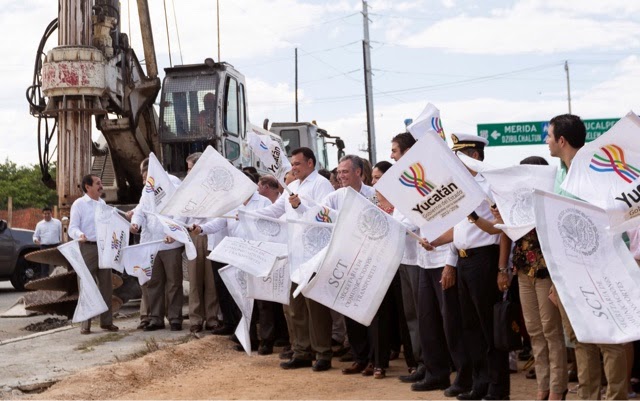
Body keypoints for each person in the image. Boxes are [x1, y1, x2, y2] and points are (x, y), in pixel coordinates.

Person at [423, 134, 509, 400]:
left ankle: (498, 388)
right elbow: (459, 229)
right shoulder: (462, 186)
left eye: (459, 155)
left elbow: (503, 227)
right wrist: (436, 242)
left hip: (485, 258)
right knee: (470, 328)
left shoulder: (490, 184)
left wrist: (502, 268)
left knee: (488, 328)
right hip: (464, 260)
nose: (454, 161)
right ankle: (480, 382)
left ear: (474, 156)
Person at [548, 114, 627, 400]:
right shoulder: (558, 174)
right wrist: (557, 278)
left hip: (604, 267)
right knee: (581, 339)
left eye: (549, 136)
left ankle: (615, 396)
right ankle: (588, 396)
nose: (546, 141)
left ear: (562, 140)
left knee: (612, 341)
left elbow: (618, 218)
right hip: (570, 272)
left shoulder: (599, 171)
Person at [253, 147, 335, 372]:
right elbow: (276, 211)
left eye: (297, 164)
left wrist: (300, 206)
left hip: (314, 254)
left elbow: (324, 216)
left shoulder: (321, 185)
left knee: (315, 307)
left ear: (310, 163)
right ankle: (301, 351)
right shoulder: (293, 186)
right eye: (292, 164)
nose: (293, 168)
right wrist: (248, 215)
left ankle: (323, 353)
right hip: (295, 254)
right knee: (295, 306)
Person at [494, 155, 568, 401]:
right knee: (534, 330)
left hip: (548, 272)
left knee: (551, 330)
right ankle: (543, 386)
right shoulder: (517, 201)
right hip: (524, 271)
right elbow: (504, 232)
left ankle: (557, 388)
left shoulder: (552, 200)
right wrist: (502, 268)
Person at [130, 165, 185, 332]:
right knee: (154, 282)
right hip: (152, 244)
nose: (147, 182)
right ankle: (156, 318)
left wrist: (174, 233)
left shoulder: (172, 184)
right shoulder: (147, 189)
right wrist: (136, 223)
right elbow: (140, 210)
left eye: (149, 178)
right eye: (146, 179)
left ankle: (175, 318)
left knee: (174, 282)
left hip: (170, 243)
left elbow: (180, 211)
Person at [388, 133, 424, 384]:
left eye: (395, 151)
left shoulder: (421, 176)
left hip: (422, 258)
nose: (392, 156)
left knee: (424, 316)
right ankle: (420, 363)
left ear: (408, 151)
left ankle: (431, 362)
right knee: (411, 316)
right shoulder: (402, 179)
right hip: (405, 257)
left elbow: (416, 216)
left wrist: (390, 225)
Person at [68, 174, 118, 335]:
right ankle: (85, 324)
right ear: (88, 187)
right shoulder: (79, 204)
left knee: (106, 286)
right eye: (98, 183)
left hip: (103, 249)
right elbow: (72, 227)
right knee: (87, 286)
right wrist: (79, 235)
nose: (101, 186)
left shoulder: (102, 204)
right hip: (87, 249)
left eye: (100, 183)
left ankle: (107, 322)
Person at [185, 152, 220, 334]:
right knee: (195, 279)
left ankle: (212, 318)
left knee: (211, 279)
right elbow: (180, 212)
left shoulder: (213, 186)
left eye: (190, 168)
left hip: (212, 232)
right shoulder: (187, 189)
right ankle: (196, 318)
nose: (188, 171)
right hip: (194, 234)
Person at [33, 206, 62, 277]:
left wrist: (61, 244)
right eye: (45, 214)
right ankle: (44, 284)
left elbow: (61, 234)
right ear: (42, 214)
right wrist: (36, 240)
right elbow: (35, 236)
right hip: (44, 247)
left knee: (57, 265)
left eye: (48, 213)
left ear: (51, 213)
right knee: (44, 266)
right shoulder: (39, 224)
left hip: (55, 246)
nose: (46, 215)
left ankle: (58, 282)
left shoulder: (57, 222)